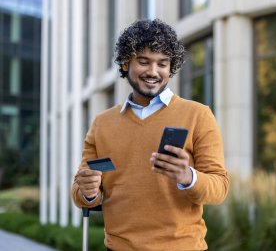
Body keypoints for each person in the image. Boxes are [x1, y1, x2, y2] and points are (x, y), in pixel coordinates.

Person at [72, 18, 229, 251]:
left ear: (170, 67)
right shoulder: (102, 123)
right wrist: (88, 191)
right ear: (126, 63)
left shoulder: (198, 115)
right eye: (144, 62)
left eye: (162, 64)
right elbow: (81, 192)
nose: (153, 72)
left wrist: (188, 176)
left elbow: (220, 187)